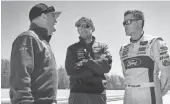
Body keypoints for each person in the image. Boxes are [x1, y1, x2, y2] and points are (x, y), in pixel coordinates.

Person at [9, 3, 61, 104]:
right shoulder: (27, 38)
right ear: (44, 16)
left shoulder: (42, 41)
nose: (56, 21)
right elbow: (20, 77)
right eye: (53, 16)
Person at [119, 10, 170, 104]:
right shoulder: (123, 49)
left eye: (128, 22)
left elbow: (167, 74)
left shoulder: (155, 43)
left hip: (149, 96)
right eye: (124, 23)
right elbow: (126, 75)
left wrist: (158, 93)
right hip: (128, 97)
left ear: (139, 22)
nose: (125, 25)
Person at [65, 17, 112, 104]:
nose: (82, 29)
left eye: (85, 26)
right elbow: (70, 70)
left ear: (92, 28)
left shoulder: (103, 47)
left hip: (97, 94)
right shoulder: (72, 48)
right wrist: (95, 71)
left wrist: (85, 62)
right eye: (79, 26)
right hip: (77, 94)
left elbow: (106, 67)